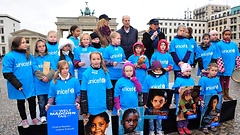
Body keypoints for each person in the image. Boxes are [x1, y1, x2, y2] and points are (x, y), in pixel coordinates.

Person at [2, 37, 42, 128]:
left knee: (32, 101)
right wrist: (17, 84)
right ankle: (24, 119)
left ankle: (34, 117)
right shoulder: (9, 56)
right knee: (21, 102)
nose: (25, 44)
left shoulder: (29, 55)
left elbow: (34, 67)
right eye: (23, 42)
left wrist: (41, 76)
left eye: (25, 42)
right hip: (18, 85)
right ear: (17, 44)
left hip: (30, 84)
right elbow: (7, 73)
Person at [33, 39, 56, 122]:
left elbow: (53, 68)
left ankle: (50, 114)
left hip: (49, 82)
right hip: (39, 83)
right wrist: (43, 77)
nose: (42, 48)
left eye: (43, 46)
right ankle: (43, 115)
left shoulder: (49, 57)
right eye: (39, 46)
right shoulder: (34, 58)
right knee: (41, 101)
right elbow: (35, 69)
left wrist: (48, 77)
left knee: (50, 99)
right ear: (36, 48)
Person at [216, 29, 240, 100]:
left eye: (229, 34)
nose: (227, 36)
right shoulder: (219, 44)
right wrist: (221, 67)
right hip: (223, 66)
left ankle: (227, 94)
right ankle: (221, 94)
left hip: (230, 66)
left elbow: (237, 55)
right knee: (222, 80)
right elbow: (218, 56)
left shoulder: (234, 44)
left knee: (228, 80)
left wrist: (238, 65)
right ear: (223, 35)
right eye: (226, 34)